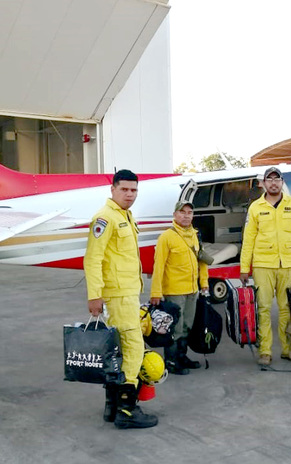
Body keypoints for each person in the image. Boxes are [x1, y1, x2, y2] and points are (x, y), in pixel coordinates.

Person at [83, 169, 157, 429]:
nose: (129, 194)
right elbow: (92, 259)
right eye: (124, 189)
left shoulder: (125, 216)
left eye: (134, 190)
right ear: (112, 189)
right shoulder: (105, 218)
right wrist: (95, 296)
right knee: (133, 350)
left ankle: (112, 407)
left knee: (118, 351)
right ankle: (127, 410)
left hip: (126, 293)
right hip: (118, 296)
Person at [240, 167, 291, 367]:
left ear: (282, 183)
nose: (273, 183)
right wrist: (244, 267)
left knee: (287, 309)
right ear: (263, 183)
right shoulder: (255, 207)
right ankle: (265, 351)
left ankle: (289, 350)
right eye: (269, 180)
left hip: (288, 264)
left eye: (277, 179)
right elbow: (248, 239)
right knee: (263, 308)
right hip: (263, 264)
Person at [149, 201, 209, 375]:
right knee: (175, 327)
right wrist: (156, 292)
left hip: (192, 290)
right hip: (174, 291)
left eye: (190, 212)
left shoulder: (195, 236)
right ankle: (171, 361)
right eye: (182, 212)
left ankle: (182, 357)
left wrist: (204, 284)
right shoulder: (166, 237)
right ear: (175, 215)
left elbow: (202, 262)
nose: (186, 215)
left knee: (187, 325)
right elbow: (158, 266)